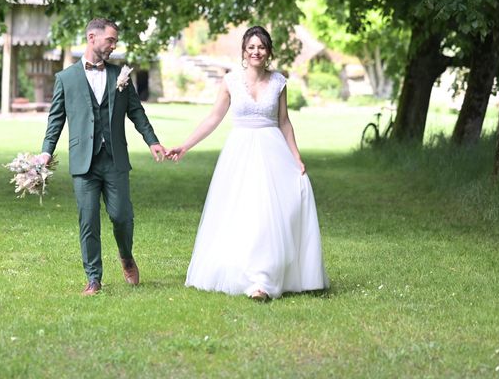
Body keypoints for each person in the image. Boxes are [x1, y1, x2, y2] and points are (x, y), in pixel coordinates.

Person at [167, 26, 329, 301]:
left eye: (261, 47)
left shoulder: (279, 82)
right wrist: (185, 145)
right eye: (251, 47)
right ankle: (245, 273)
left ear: (268, 52)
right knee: (242, 212)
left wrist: (296, 157)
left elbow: (284, 122)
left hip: (273, 152)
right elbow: (213, 118)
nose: (256, 52)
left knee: (269, 214)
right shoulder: (230, 81)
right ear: (244, 51)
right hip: (239, 153)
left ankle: (263, 280)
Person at [39, 18, 166, 296]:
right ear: (92, 38)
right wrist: (46, 152)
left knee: (122, 216)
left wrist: (152, 141)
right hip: (84, 162)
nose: (113, 45)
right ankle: (94, 278)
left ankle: (126, 255)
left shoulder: (120, 75)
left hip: (114, 159)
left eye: (115, 41)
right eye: (110, 40)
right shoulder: (66, 79)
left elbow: (136, 112)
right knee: (88, 220)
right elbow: (55, 120)